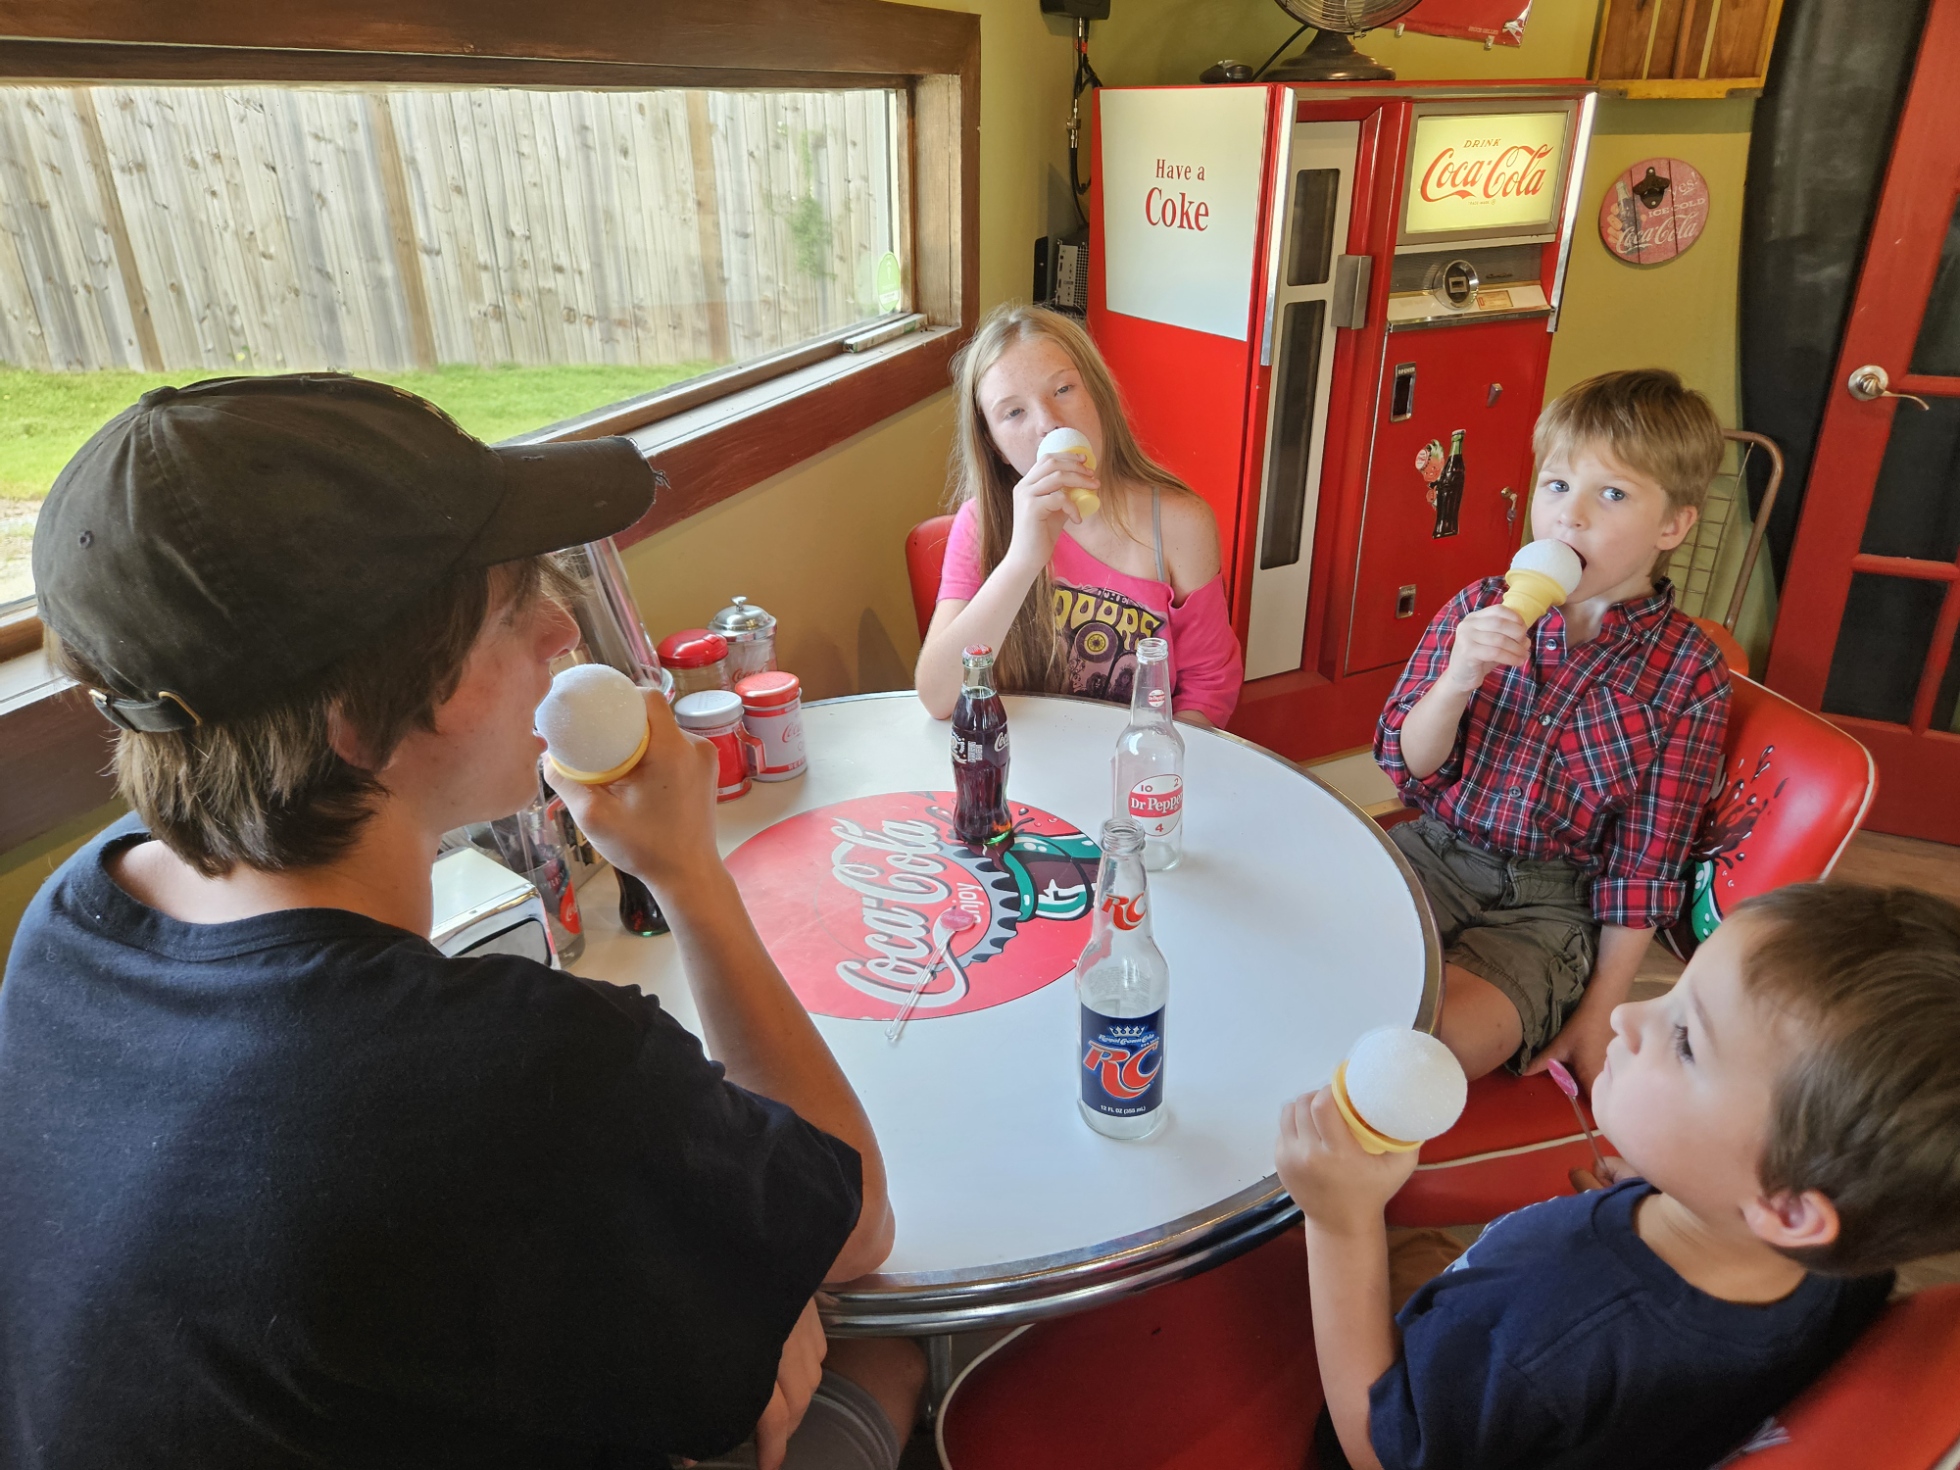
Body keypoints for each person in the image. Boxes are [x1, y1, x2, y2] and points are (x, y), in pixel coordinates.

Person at [0, 376, 921, 1469]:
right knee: (895, 1356)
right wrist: (688, 874)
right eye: (505, 605)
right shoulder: (525, 1071)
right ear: (355, 720)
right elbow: (854, 1230)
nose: (559, 624)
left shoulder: (73, 917)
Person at [1279, 881, 1960, 1470]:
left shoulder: (1549, 1328)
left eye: (1688, 1041)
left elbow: (1384, 1448)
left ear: (1786, 1210)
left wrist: (1340, 1226)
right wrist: (1681, 1186)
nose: (1629, 1017)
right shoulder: (1846, 1264)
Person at [1374, 369, 1731, 1087]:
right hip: (1432, 854)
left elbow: (1645, 864)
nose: (1571, 516)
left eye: (1613, 494)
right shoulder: (1479, 606)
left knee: (1423, 1054)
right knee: (1317, 966)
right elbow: (1406, 762)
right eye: (1557, 485)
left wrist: (1601, 1007)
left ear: (1673, 525)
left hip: (1551, 907)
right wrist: (1457, 681)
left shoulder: (1690, 675)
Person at [915, 303, 1243, 728]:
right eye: (1014, 412)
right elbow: (938, 697)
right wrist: (1023, 559)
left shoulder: (1181, 525)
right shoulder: (980, 526)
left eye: (1063, 390)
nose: (1048, 423)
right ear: (994, 444)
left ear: (1098, 396)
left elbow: (1208, 686)